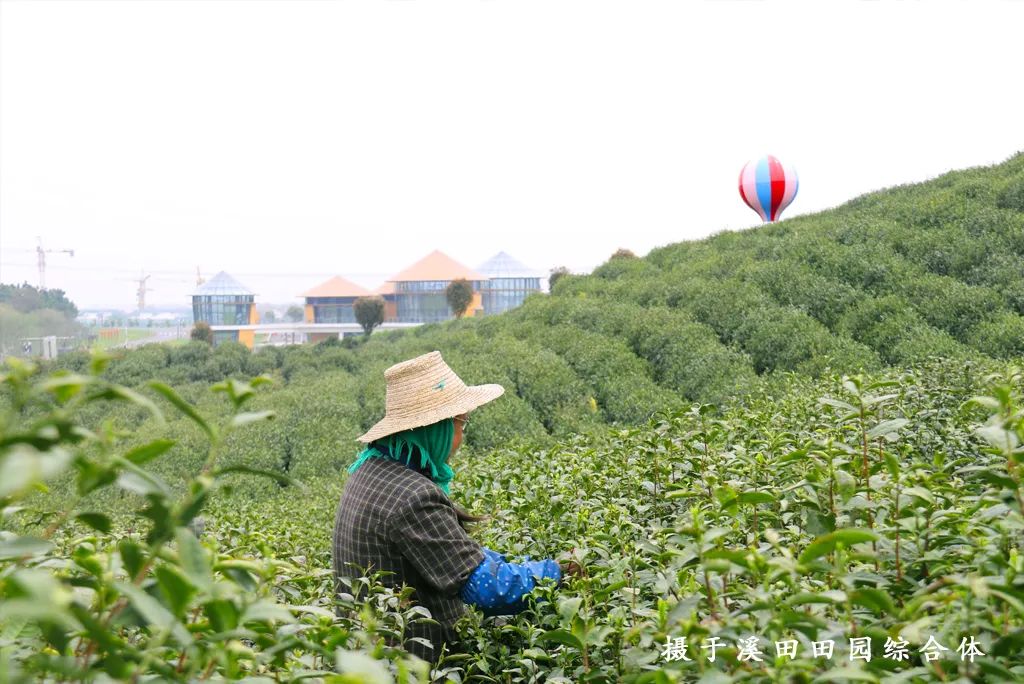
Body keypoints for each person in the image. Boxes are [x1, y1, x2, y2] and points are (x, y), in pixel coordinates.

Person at [332, 350, 580, 664]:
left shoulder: (368, 471)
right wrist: (555, 573)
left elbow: (452, 555)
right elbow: (488, 590)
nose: (462, 436)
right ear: (438, 428)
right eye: (462, 424)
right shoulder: (414, 497)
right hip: (414, 665)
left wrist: (506, 563)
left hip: (368, 654)